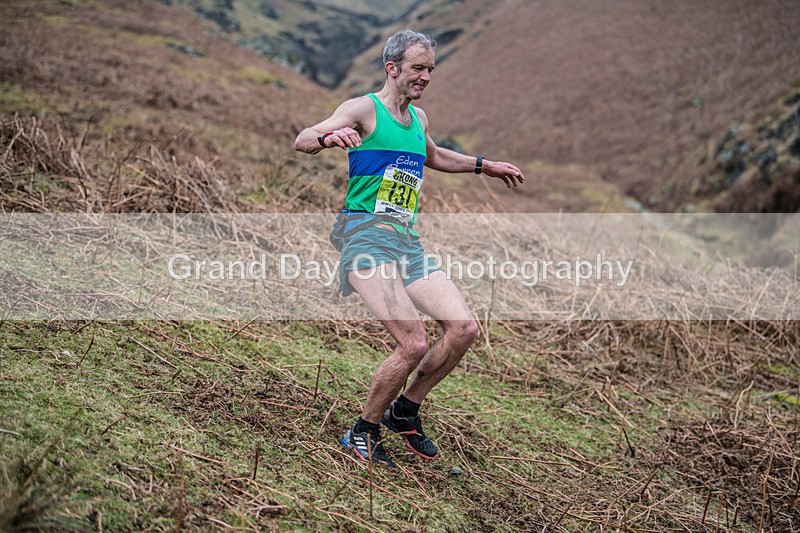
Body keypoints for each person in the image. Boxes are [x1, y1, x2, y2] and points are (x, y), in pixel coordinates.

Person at [294, 29, 525, 467]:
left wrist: (485, 166)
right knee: (414, 344)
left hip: (405, 243)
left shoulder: (418, 120)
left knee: (463, 329)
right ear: (392, 68)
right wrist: (328, 139)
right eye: (418, 68)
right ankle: (362, 432)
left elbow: (435, 157)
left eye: (430, 70)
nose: (425, 77)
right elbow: (303, 137)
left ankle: (407, 410)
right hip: (364, 238)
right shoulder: (364, 109)